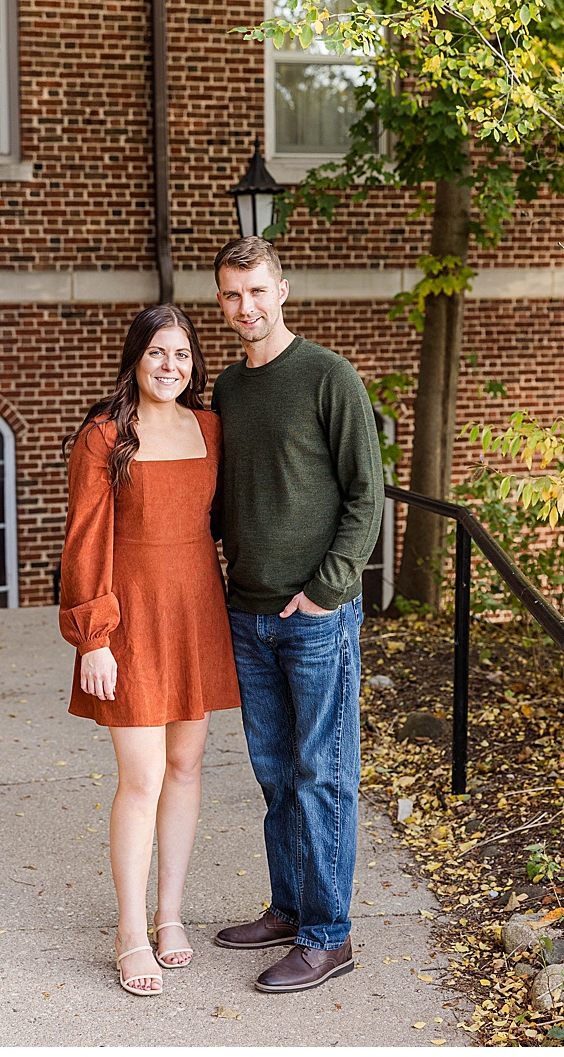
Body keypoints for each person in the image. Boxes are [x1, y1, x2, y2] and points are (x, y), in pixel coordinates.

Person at [208, 235, 383, 993]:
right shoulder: (227, 389)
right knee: (277, 774)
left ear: (283, 290)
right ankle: (288, 908)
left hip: (314, 615)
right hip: (246, 614)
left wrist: (328, 589)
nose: (244, 307)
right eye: (230, 295)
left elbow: (365, 494)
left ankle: (328, 934)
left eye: (256, 291)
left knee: (323, 775)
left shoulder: (327, 377)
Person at [59, 303, 240, 997]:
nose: (172, 366)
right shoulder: (105, 435)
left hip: (196, 610)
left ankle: (170, 915)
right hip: (129, 619)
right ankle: (129, 928)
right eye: (159, 352)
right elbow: (84, 542)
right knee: (142, 777)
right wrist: (93, 638)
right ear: (136, 357)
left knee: (187, 766)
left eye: (184, 355)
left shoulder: (212, 429)